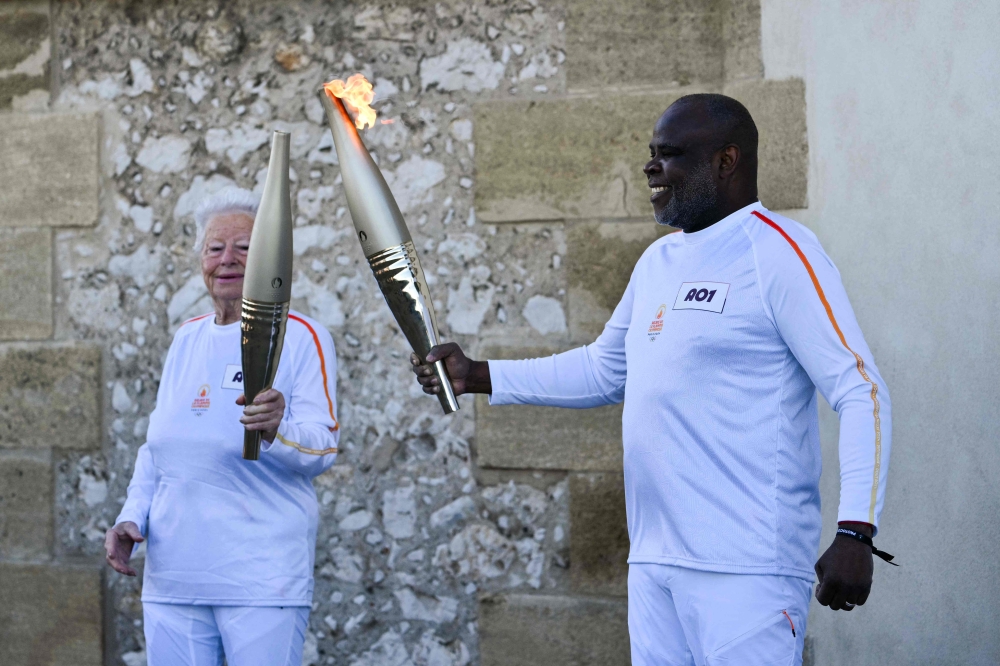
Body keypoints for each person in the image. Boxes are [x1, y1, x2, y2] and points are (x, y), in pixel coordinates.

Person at [411, 94, 893, 665]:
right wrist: (476, 376)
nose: (649, 167)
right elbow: (602, 369)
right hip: (655, 565)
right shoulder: (658, 262)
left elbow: (860, 390)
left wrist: (856, 532)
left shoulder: (780, 253)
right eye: (651, 153)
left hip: (746, 569)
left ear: (726, 161)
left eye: (669, 154)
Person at [104, 187, 340, 666]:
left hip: (260, 580)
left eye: (246, 248)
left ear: (270, 258)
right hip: (173, 580)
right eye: (215, 248)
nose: (228, 260)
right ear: (201, 260)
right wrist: (133, 515)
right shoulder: (186, 338)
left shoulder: (300, 335)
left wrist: (277, 430)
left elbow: (322, 448)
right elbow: (158, 448)